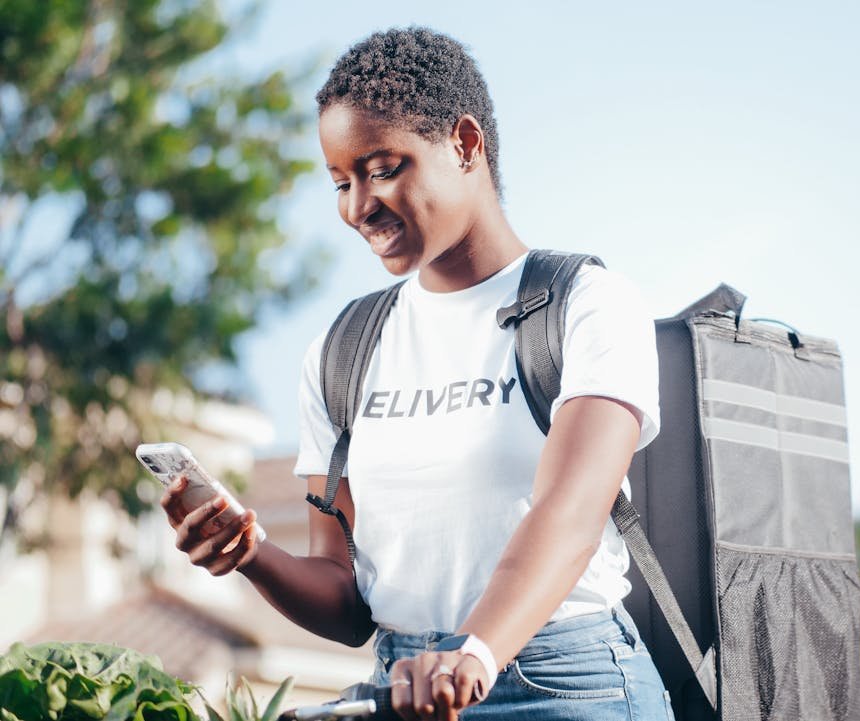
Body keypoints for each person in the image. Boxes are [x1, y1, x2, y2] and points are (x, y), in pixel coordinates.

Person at [161, 26, 671, 721]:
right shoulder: (342, 349)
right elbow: (347, 601)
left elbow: (571, 514)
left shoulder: (587, 303)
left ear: (465, 144)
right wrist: (248, 552)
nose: (356, 206)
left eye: (382, 167)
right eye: (341, 181)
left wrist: (475, 655)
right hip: (405, 689)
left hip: (568, 683)